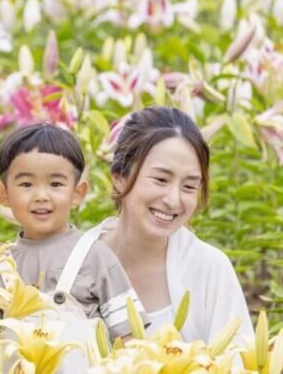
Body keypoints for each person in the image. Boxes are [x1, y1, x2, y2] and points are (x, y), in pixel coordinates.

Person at [86, 106, 254, 344]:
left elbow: (239, 363)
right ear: (119, 179)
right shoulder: (74, 265)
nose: (173, 200)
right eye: (161, 179)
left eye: (189, 186)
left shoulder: (210, 269)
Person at [0, 124, 144, 370]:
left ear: (78, 193)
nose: (41, 195)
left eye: (56, 184)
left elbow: (130, 338)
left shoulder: (95, 256)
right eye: (26, 184)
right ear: (3, 193)